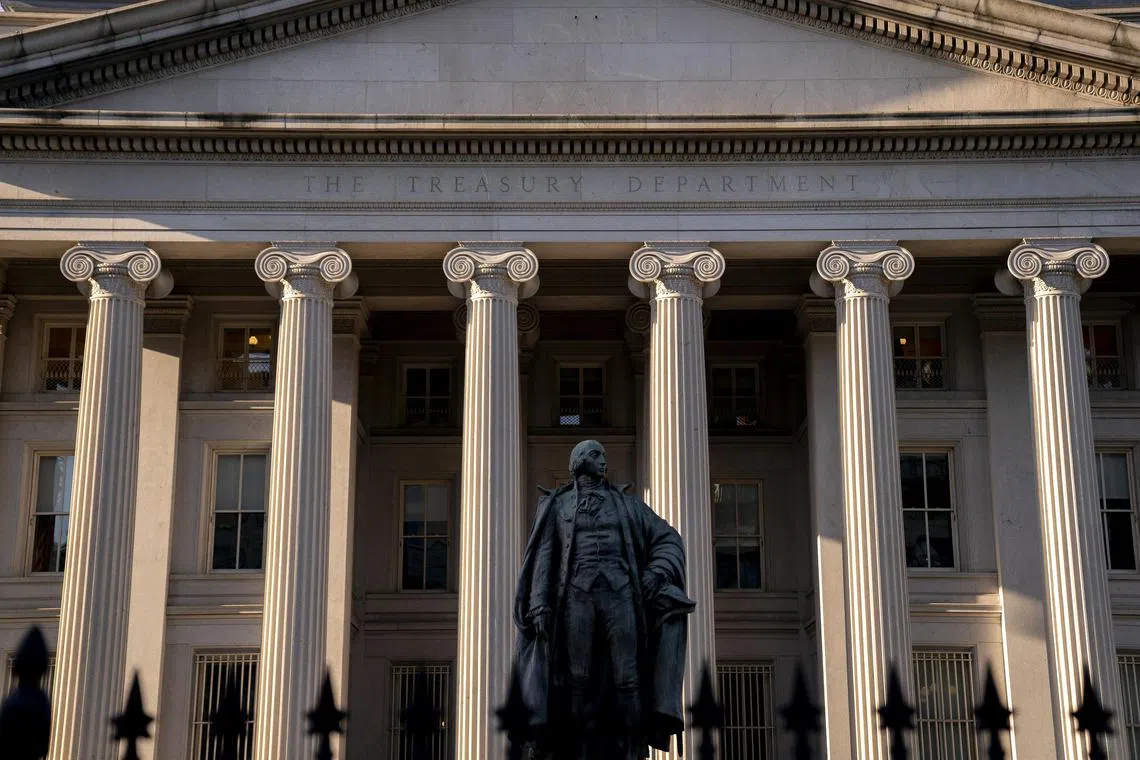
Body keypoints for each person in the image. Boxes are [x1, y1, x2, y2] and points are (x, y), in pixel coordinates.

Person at [514, 440, 695, 760]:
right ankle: (578, 748)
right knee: (577, 677)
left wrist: (656, 572)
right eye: (596, 455)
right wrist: (539, 601)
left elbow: (669, 538)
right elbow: (545, 554)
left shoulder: (628, 505)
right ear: (579, 461)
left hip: (622, 596)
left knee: (627, 676)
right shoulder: (556, 505)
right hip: (576, 598)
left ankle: (630, 749)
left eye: (604, 456)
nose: (603, 461)